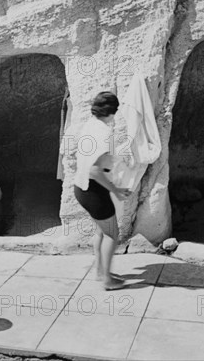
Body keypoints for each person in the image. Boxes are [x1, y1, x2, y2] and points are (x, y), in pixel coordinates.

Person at [73, 91, 131, 291]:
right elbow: (95, 171)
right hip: (94, 191)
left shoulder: (90, 125)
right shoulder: (104, 132)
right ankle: (107, 279)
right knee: (112, 234)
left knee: (102, 230)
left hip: (81, 189)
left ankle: (100, 271)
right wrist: (115, 190)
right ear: (112, 112)